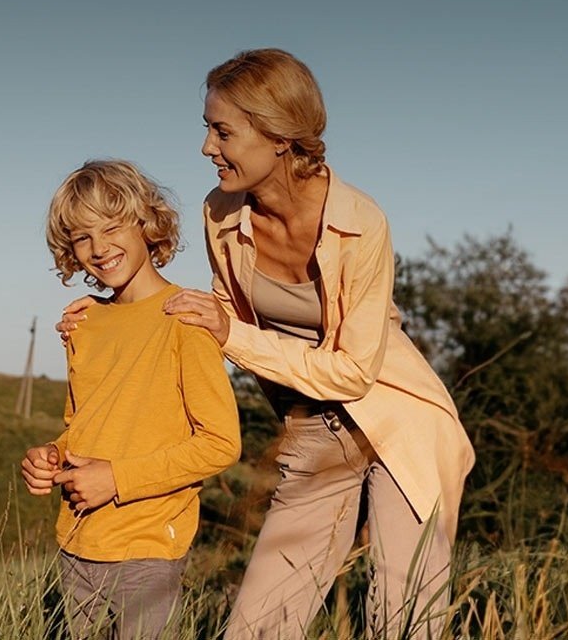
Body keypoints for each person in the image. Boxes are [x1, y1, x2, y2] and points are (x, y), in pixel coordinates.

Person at [170, 48, 474, 639]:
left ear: (279, 136)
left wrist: (232, 334)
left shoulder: (362, 223)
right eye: (207, 129)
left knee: (405, 624)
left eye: (222, 131)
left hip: (398, 424)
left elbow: (354, 372)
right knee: (258, 627)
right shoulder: (219, 213)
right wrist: (122, 310)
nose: (208, 147)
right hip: (313, 427)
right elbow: (221, 314)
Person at [19, 160, 241, 640]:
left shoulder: (186, 317)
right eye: (82, 237)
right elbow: (83, 423)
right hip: (77, 538)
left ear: (148, 224)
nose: (99, 249)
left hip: (148, 545)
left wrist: (116, 480)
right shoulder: (84, 324)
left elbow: (221, 443)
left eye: (112, 227)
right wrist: (51, 456)